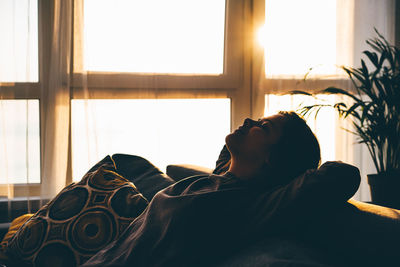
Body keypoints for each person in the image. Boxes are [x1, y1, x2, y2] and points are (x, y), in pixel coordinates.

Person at [82, 111, 360, 267]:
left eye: (263, 127)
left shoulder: (254, 206)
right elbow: (225, 155)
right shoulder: (214, 180)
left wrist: (292, 164)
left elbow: (342, 175)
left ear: (272, 158)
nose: (250, 120)